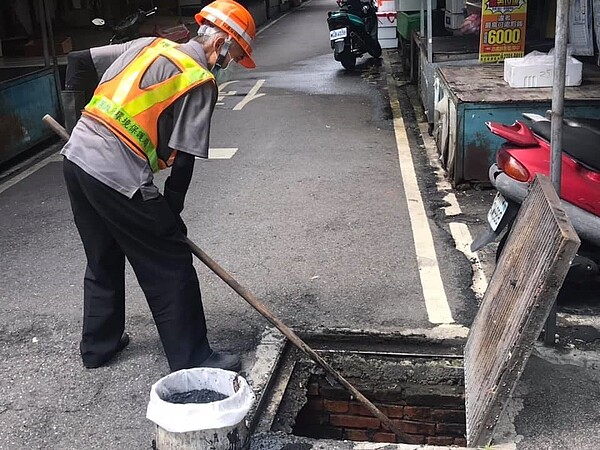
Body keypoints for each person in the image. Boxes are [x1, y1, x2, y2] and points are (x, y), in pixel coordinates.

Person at [61, 0, 256, 372]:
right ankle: (193, 357)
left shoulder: (147, 44)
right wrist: (171, 216)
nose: (228, 65)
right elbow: (184, 159)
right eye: (233, 56)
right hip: (117, 173)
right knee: (169, 261)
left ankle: (99, 347)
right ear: (221, 45)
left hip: (76, 158)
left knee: (102, 255)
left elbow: (79, 62)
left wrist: (77, 128)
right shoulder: (200, 80)